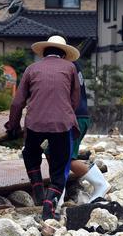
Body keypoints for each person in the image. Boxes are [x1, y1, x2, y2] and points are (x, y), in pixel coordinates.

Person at [5, 35, 80, 221]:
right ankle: (48, 209)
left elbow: (17, 102)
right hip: (61, 124)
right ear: (63, 54)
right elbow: (75, 101)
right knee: (59, 166)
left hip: (35, 123)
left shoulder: (32, 69)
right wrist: (63, 113)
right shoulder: (71, 68)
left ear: (44, 53)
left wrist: (12, 125)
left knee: (30, 154)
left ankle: (37, 186)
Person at [66, 60, 110, 202]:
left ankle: (101, 184)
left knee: (64, 157)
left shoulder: (65, 67)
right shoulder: (74, 65)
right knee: (59, 156)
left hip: (73, 118)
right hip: (79, 116)